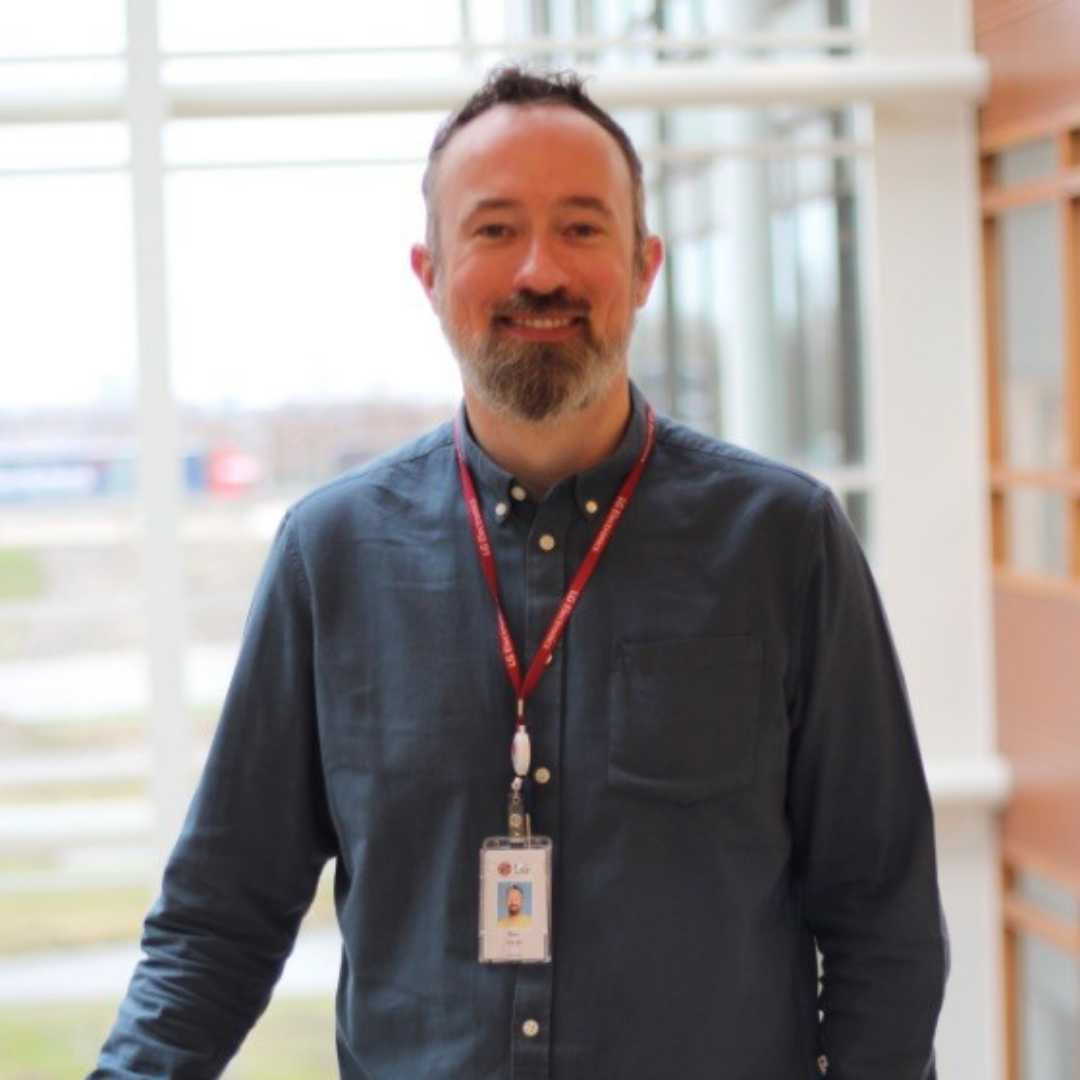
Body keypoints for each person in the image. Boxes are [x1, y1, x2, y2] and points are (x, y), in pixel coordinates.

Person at [91, 65, 948, 1079]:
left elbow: (883, 927)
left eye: (582, 227)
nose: (540, 271)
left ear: (644, 266)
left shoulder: (784, 543)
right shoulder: (330, 557)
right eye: (495, 230)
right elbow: (217, 924)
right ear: (430, 273)